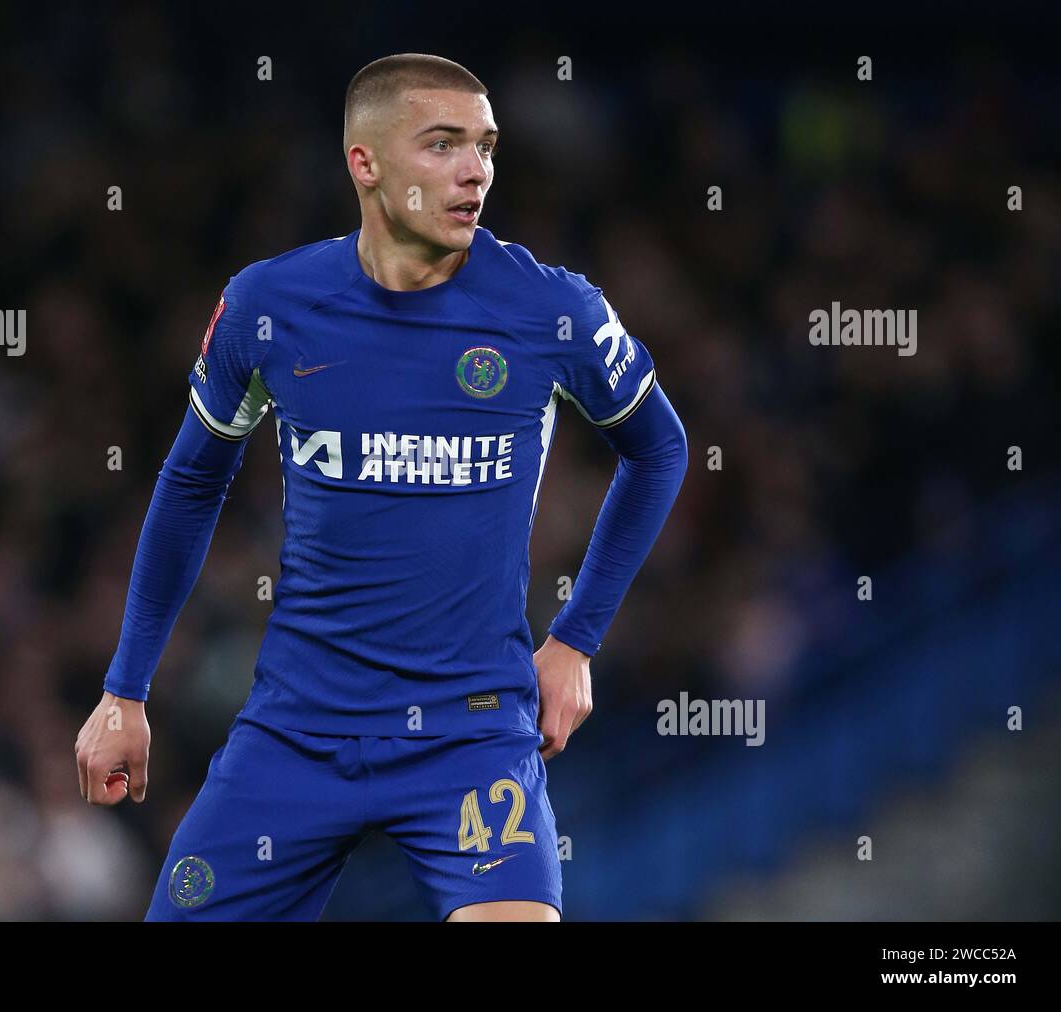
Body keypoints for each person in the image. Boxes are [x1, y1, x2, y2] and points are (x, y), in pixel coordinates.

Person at [75, 52, 688, 922]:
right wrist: (125, 689)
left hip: (470, 733)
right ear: (364, 165)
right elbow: (190, 481)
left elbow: (660, 449)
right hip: (298, 731)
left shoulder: (552, 310)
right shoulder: (268, 307)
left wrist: (577, 639)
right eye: (442, 145)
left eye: (485, 146)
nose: (475, 169)